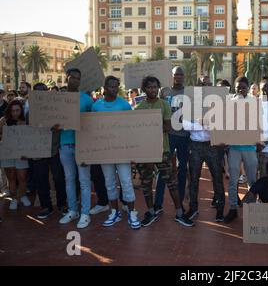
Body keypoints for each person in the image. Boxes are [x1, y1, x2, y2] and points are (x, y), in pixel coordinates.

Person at [136, 76, 193, 227]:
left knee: (171, 182)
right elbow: (136, 131)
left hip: (163, 150)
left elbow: (168, 127)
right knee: (146, 183)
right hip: (145, 152)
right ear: (144, 89)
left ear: (158, 88)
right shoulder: (139, 108)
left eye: (155, 87)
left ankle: (179, 213)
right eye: (149, 87)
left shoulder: (164, 105)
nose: (152, 90)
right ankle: (151, 211)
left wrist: (147, 126)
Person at [91, 76, 140, 230]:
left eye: (116, 86)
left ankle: (132, 212)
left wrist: (133, 152)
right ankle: (114, 212)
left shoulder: (124, 105)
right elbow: (92, 130)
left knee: (126, 182)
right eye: (111, 86)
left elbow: (131, 130)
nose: (114, 89)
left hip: (122, 152)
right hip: (105, 153)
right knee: (109, 183)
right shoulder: (97, 106)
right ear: (105, 87)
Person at [57, 68, 94, 229]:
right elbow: (50, 122)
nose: (75, 81)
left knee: (84, 181)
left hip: (82, 146)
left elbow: (94, 124)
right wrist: (53, 126)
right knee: (69, 179)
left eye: (78, 79)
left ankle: (85, 213)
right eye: (73, 78)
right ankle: (72, 210)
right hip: (64, 145)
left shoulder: (86, 99)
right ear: (67, 78)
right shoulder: (58, 99)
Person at [27, 83, 67, 219]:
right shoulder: (29, 113)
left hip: (55, 149)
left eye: (43, 91)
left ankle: (62, 204)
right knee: (41, 180)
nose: (41, 94)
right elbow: (26, 133)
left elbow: (64, 125)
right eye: (38, 92)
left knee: (58, 178)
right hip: (38, 152)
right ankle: (46, 206)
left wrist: (58, 127)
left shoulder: (56, 110)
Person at [154, 66, 190, 215]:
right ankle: (158, 203)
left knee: (182, 170)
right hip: (168, 136)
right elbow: (158, 108)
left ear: (184, 76)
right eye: (176, 74)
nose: (178, 77)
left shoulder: (189, 92)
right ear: (172, 76)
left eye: (181, 74)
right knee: (163, 170)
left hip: (184, 136)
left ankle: (180, 202)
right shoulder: (164, 91)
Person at [182, 101, 226, 222]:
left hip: (212, 146)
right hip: (195, 146)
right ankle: (193, 208)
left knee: (217, 177)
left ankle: (220, 209)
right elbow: (186, 126)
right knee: (193, 178)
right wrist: (204, 124)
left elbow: (217, 127)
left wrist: (203, 124)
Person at [225, 76, 259, 223]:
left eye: (243, 87)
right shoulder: (229, 103)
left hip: (250, 147)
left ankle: (251, 209)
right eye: (238, 87)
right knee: (233, 180)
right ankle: (233, 208)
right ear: (235, 87)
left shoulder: (255, 103)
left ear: (247, 87)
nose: (241, 89)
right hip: (234, 148)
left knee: (251, 179)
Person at [0, 100, 29, 210]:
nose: (15, 113)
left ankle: (23, 196)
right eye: (13, 111)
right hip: (7, 153)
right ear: (9, 111)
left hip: (22, 153)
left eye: (17, 110)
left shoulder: (25, 121)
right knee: (11, 177)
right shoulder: (3, 120)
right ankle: (14, 199)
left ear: (21, 110)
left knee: (22, 177)